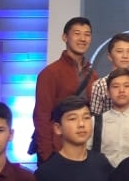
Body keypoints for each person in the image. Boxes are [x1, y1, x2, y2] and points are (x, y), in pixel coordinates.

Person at [32, 16, 97, 161]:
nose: (82, 39)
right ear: (65, 37)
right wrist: (46, 154)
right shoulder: (50, 73)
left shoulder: (93, 75)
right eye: (77, 33)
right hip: (56, 150)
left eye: (87, 34)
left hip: (84, 151)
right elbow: (42, 116)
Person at [91, 68, 129, 166]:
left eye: (127, 86)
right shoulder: (95, 122)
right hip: (104, 173)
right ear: (108, 92)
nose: (121, 90)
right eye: (115, 86)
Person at [89, 33, 129, 116]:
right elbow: (95, 118)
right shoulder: (99, 85)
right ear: (109, 56)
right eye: (120, 51)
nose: (125, 56)